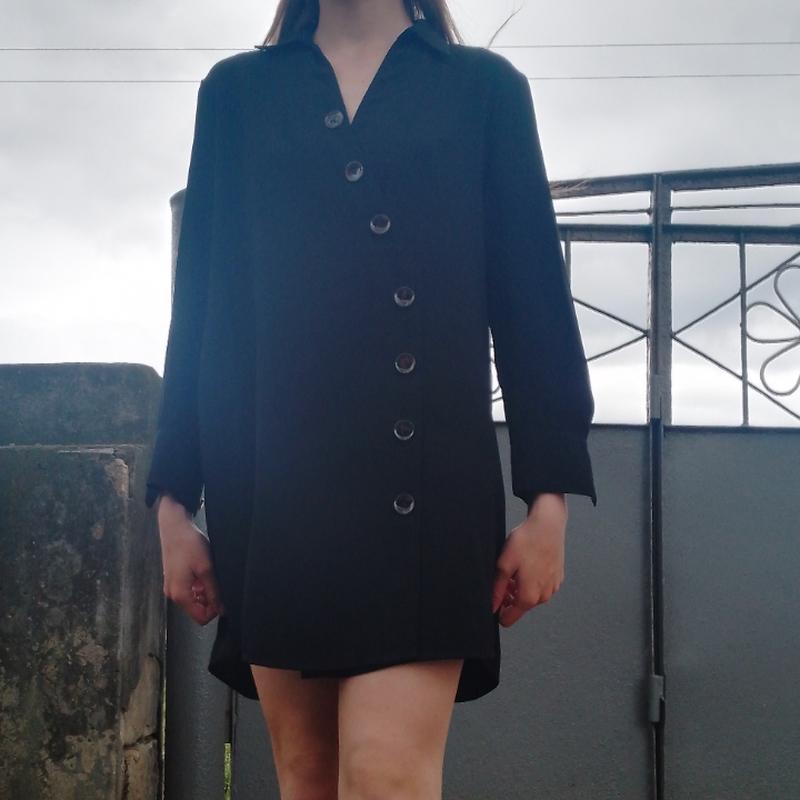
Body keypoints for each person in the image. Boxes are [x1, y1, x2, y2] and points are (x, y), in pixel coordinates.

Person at [146, 0, 598, 797]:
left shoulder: (483, 88)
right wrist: (173, 500)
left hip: (426, 490)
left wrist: (549, 499)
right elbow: (203, 307)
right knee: (309, 778)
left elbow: (531, 297)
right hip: (278, 497)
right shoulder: (236, 93)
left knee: (386, 776)